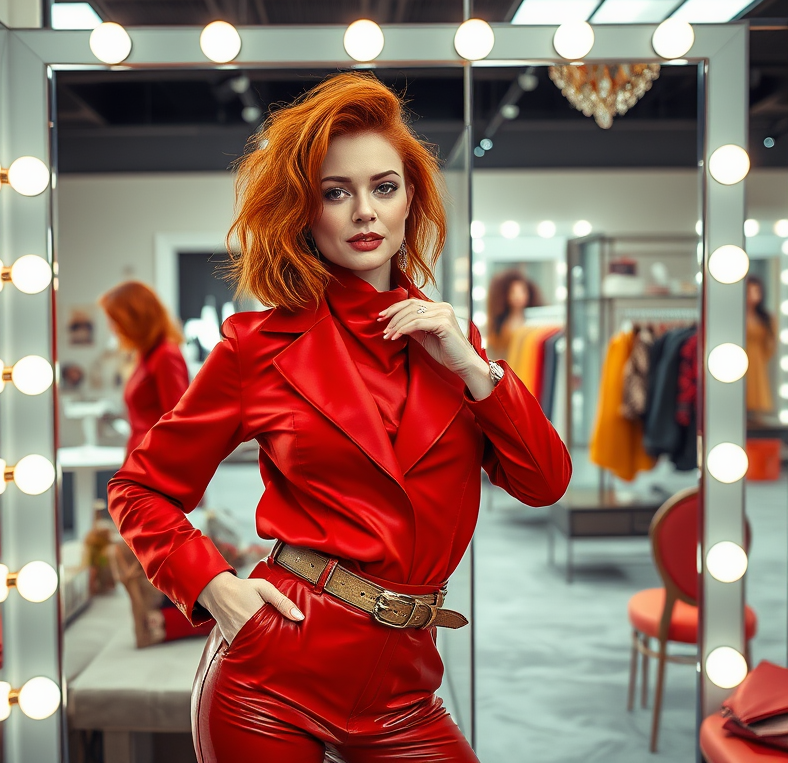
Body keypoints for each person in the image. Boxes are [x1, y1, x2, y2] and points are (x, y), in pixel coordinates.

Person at [107, 72, 572, 763]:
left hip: (407, 689)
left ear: (410, 200)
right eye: (336, 192)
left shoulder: (457, 345)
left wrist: (476, 370)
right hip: (274, 675)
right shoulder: (254, 346)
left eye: (384, 187)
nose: (364, 211)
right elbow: (140, 488)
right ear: (306, 210)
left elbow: (544, 483)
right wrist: (215, 587)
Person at [99, 281, 189, 456]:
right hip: (141, 455)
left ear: (134, 319)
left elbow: (178, 424)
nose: (111, 327)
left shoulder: (165, 355)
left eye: (115, 321)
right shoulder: (145, 355)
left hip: (153, 460)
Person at [485, 268, 543, 361]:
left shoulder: (534, 322)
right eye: (513, 292)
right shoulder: (501, 325)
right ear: (506, 295)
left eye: (522, 291)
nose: (517, 296)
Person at [745, 274, 776, 420]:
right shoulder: (739, 316)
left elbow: (770, 343)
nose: (753, 296)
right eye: (750, 291)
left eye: (756, 291)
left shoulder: (765, 318)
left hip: (758, 359)